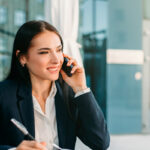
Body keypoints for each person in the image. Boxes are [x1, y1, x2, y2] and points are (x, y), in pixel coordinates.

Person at [0, 20, 110, 150]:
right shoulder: (4, 94)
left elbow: (100, 142)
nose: (56, 60)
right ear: (22, 57)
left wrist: (81, 88)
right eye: (44, 52)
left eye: (58, 50)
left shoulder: (69, 95)